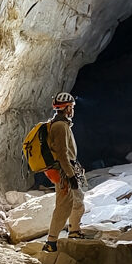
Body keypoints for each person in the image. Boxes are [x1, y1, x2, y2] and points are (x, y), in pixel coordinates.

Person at [41, 92, 87, 253]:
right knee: (63, 206)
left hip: (66, 170)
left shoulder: (62, 124)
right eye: (71, 107)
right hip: (63, 172)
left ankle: (74, 231)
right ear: (66, 108)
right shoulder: (60, 126)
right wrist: (70, 175)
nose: (72, 109)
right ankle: (51, 242)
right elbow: (62, 154)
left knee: (78, 200)